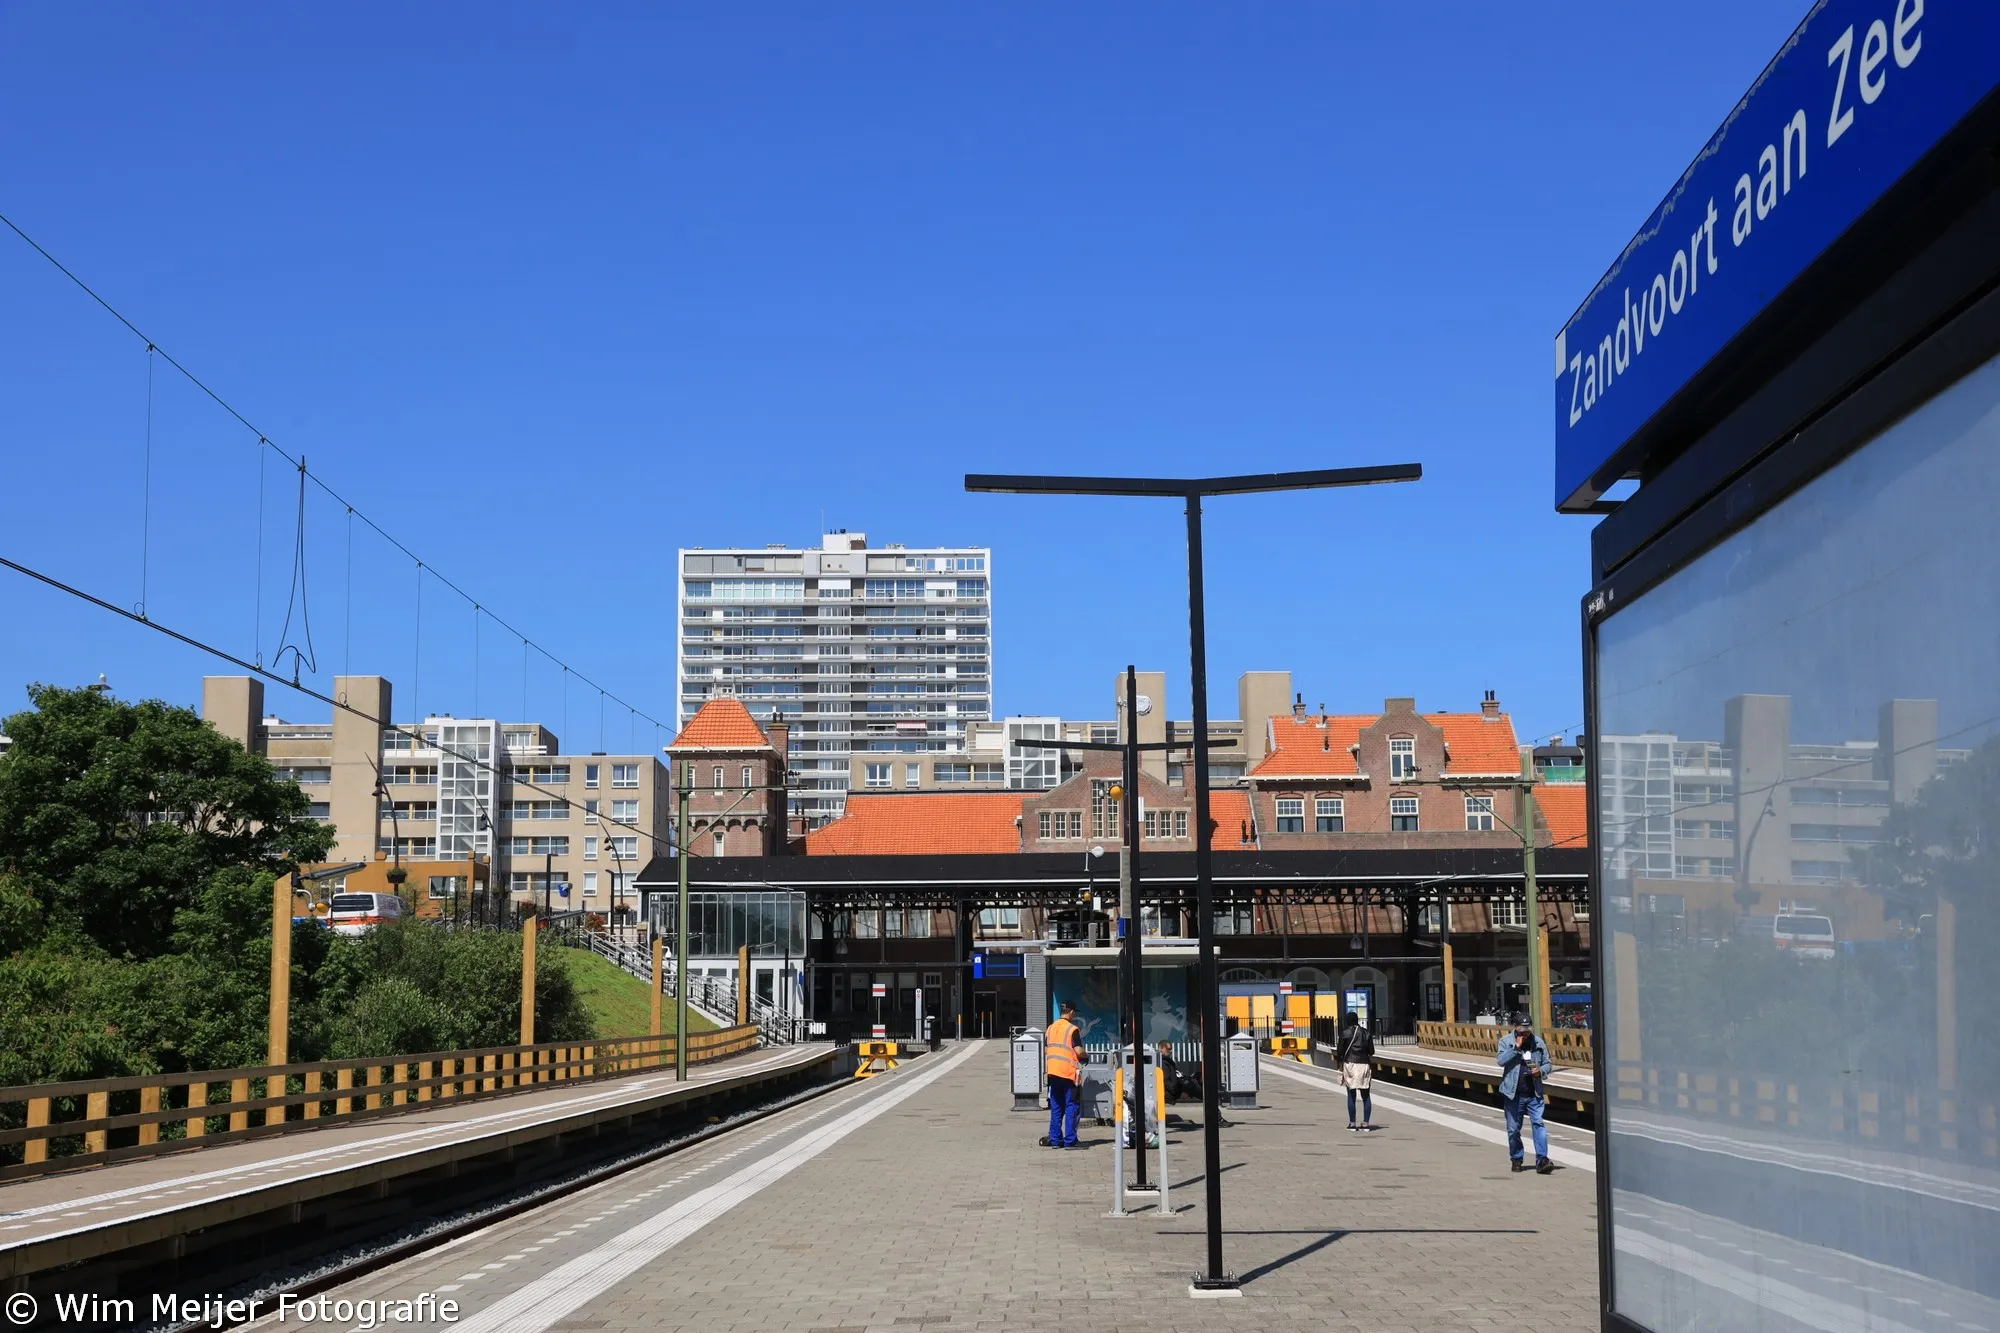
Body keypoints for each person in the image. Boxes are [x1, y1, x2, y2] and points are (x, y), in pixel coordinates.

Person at [1497, 1012, 1555, 1173]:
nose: (1525, 1032)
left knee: (1539, 1124)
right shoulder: (1506, 1041)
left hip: (1534, 1092)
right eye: (1522, 1029)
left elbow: (1548, 1064)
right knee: (1513, 1129)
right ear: (1515, 1028)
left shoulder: (1538, 1042)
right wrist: (1516, 1048)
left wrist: (1540, 1071)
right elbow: (1500, 1061)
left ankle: (1542, 1160)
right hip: (1513, 1093)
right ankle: (1516, 1158)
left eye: (1528, 1029)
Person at [1040, 1000, 1084, 1149]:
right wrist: (1086, 1056)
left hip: (1053, 1072)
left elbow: (1048, 1049)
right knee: (1071, 1105)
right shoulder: (1072, 1029)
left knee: (1056, 1106)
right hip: (1068, 1073)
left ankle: (1055, 1140)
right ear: (1071, 1012)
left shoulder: (1050, 1029)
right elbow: (1078, 1051)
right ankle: (1070, 1141)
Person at [1334, 1010, 1376, 1131]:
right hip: (1364, 1065)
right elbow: (1371, 1051)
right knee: (1366, 1096)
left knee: (1351, 1095)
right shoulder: (1366, 1033)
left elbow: (1340, 1052)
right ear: (1357, 1021)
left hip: (1350, 1064)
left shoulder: (1344, 1033)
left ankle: (1352, 1124)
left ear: (1347, 1021)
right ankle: (1366, 1124)